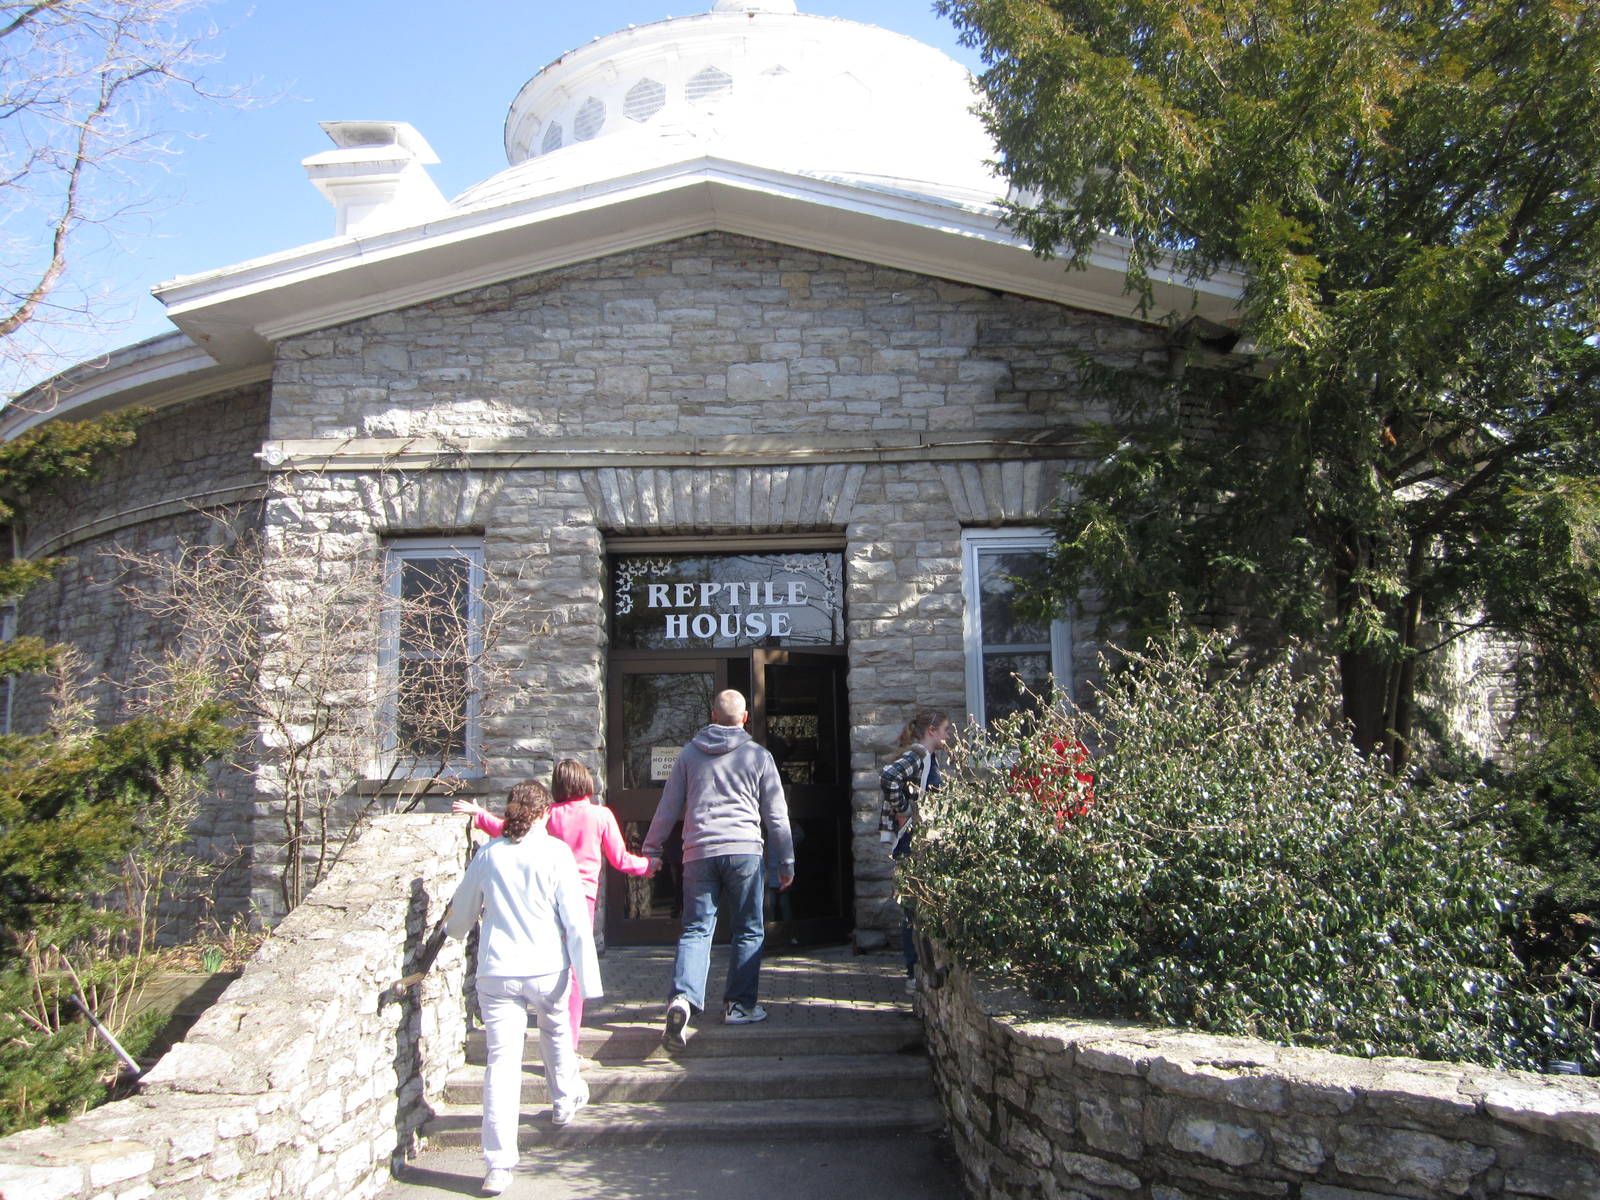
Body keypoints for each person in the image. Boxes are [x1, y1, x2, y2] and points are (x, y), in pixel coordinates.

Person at [445, 780, 600, 1196]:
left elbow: (462, 912)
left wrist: (454, 932)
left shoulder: (490, 854)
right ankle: (564, 1100)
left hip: (498, 969)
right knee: (554, 1034)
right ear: (545, 813)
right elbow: (575, 921)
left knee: (502, 1062)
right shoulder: (556, 854)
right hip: (547, 967)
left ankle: (498, 1164)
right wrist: (588, 978)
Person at [454, 759, 650, 1044]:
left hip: (547, 895)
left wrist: (479, 814)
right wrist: (648, 865)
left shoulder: (550, 815)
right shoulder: (600, 815)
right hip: (582, 897)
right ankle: (568, 1041)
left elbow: (505, 830)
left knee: (553, 960)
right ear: (586, 782)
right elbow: (621, 859)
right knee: (572, 968)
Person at [643, 688, 794, 1049]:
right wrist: (785, 860)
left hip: (699, 852)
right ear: (744, 718)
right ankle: (739, 1006)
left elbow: (668, 807)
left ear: (712, 715)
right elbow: (776, 815)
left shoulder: (689, 755)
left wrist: (651, 848)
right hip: (744, 851)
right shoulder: (759, 756)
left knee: (696, 930)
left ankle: (683, 999)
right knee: (748, 929)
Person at [879, 708, 952, 992]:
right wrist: (905, 809)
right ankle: (914, 973)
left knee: (918, 912)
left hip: (919, 842)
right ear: (931, 730)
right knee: (913, 912)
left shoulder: (929, 757)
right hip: (912, 844)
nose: (948, 736)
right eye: (945, 730)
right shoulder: (920, 754)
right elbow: (889, 776)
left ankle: (921, 970)